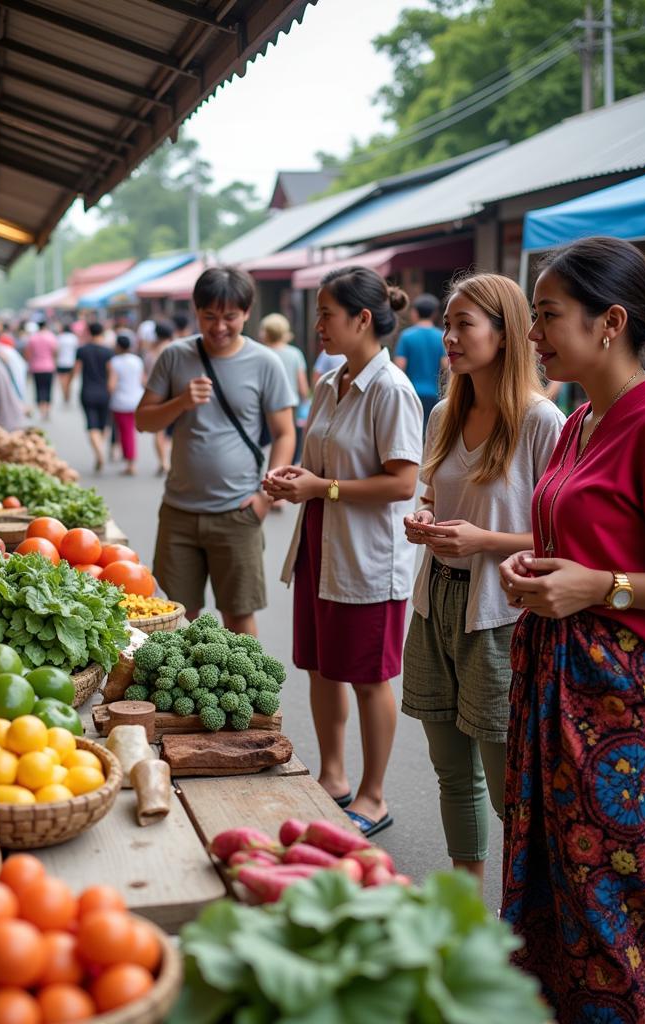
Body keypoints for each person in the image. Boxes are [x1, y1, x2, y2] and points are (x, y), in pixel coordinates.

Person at [498, 236, 645, 1024]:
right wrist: (539, 571)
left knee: (612, 909)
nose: (534, 335)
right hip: (554, 680)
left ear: (610, 321)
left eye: (547, 316)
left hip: (621, 704)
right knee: (547, 891)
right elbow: (569, 545)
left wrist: (602, 587)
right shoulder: (579, 419)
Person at [400, 274, 565, 882]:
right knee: (452, 772)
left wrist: (484, 541)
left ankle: (525, 916)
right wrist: (424, 519)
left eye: (463, 325)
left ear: (505, 332)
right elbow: (430, 493)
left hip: (499, 612)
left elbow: (562, 539)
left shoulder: (541, 421)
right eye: (447, 324)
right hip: (435, 600)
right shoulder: (445, 411)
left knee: (507, 788)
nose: (449, 337)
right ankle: (464, 909)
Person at [267, 267, 421, 837]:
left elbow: (402, 483)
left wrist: (320, 488)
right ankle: (332, 778)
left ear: (362, 319)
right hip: (320, 545)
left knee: (367, 676)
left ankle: (374, 796)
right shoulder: (331, 383)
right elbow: (325, 469)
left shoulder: (391, 389)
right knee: (320, 666)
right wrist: (296, 479)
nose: (318, 325)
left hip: (366, 556)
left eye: (327, 313)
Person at [137, 267, 296, 635]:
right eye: (210, 316)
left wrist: (264, 497)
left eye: (230, 317)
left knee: (239, 616)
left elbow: (285, 433)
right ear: (196, 311)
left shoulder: (265, 362)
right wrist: (180, 402)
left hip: (237, 512)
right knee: (175, 617)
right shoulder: (175, 357)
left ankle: (252, 694)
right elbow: (143, 420)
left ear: (247, 312)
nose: (219, 326)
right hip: (179, 511)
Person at [258, 313, 309, 464]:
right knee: (288, 442)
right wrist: (304, 402)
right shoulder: (295, 354)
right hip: (289, 407)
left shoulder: (261, 353)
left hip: (262, 408)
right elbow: (303, 388)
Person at [394, 292, 446, 427]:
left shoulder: (406, 336)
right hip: (434, 394)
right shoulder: (441, 337)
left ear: (415, 312)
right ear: (434, 313)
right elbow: (446, 366)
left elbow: (399, 366)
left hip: (411, 393)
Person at [74, 321, 116, 470]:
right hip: (104, 392)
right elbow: (111, 373)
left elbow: (76, 370)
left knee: (91, 426)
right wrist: (111, 389)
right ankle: (100, 449)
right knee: (103, 424)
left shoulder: (82, 350)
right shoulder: (108, 351)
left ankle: (99, 453)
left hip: (87, 391)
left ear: (89, 332)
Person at [109, 334, 146, 476]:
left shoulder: (115, 362)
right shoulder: (137, 360)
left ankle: (130, 463)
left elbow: (111, 384)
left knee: (126, 433)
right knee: (129, 431)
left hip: (121, 402)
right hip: (137, 399)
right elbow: (143, 380)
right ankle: (129, 461)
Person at [146, 320, 176, 475]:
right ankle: (168, 460)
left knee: (159, 431)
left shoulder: (151, 352)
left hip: (155, 394)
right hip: (172, 394)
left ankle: (163, 461)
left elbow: (145, 376)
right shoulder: (174, 350)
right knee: (172, 431)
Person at [24, 317, 58, 419]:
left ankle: (41, 409)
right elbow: (55, 352)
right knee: (48, 388)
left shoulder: (33, 338)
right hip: (49, 366)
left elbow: (28, 353)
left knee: (39, 388)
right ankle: (47, 409)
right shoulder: (51, 337)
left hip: (36, 367)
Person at [55, 321, 79, 402]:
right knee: (69, 382)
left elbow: (56, 351)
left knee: (63, 381)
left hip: (61, 362)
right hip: (71, 362)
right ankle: (67, 394)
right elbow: (77, 351)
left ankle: (65, 394)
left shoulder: (59, 337)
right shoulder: (74, 338)